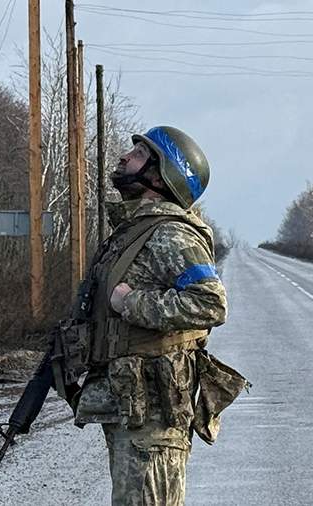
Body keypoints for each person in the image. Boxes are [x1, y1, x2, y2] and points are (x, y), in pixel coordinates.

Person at [72, 126, 228, 505]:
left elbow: (211, 303)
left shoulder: (171, 234)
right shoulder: (133, 231)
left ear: (160, 177)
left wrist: (132, 303)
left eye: (140, 154)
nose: (125, 157)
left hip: (156, 416)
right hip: (132, 409)